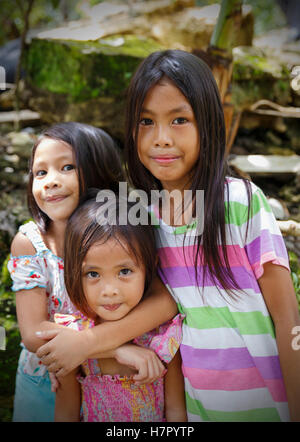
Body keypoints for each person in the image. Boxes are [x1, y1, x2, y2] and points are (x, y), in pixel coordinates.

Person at [123, 49, 300, 422]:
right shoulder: (143, 222)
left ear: (209, 123)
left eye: (179, 120)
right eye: (146, 121)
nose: (161, 138)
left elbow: (288, 320)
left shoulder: (242, 203)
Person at [7, 122, 177, 422]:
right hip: (49, 382)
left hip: (117, 388)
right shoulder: (31, 244)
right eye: (40, 172)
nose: (50, 181)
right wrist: (117, 350)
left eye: (67, 167)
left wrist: (90, 346)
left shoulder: (126, 234)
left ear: (100, 172)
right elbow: (34, 334)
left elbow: (165, 304)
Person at [54, 196, 186, 422]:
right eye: (93, 274)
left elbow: (176, 410)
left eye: (124, 271)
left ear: (150, 267)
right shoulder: (72, 337)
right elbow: (66, 413)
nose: (110, 291)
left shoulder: (162, 337)